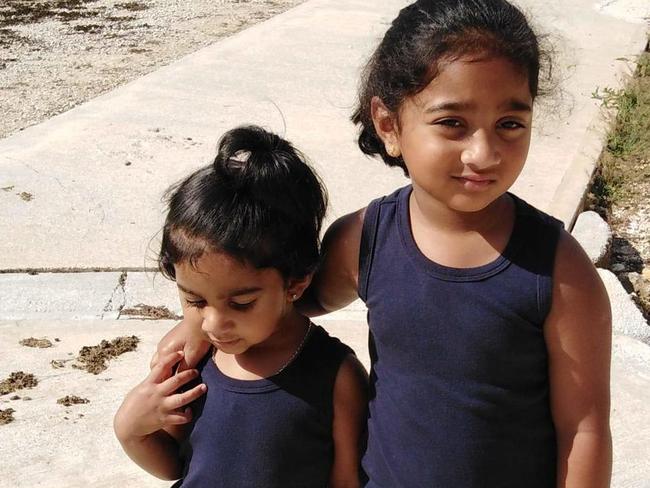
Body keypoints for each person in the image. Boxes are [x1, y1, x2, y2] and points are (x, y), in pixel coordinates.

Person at [154, 0, 613, 486]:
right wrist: (199, 322)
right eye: (452, 123)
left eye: (510, 124)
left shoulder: (558, 270)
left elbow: (583, 428)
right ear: (389, 124)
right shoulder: (365, 241)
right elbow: (277, 300)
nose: (483, 153)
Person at [114, 125, 368, 487]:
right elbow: (173, 465)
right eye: (194, 300)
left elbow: (346, 481)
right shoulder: (190, 361)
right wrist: (130, 430)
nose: (214, 324)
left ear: (296, 282)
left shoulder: (335, 376)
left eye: (242, 303)